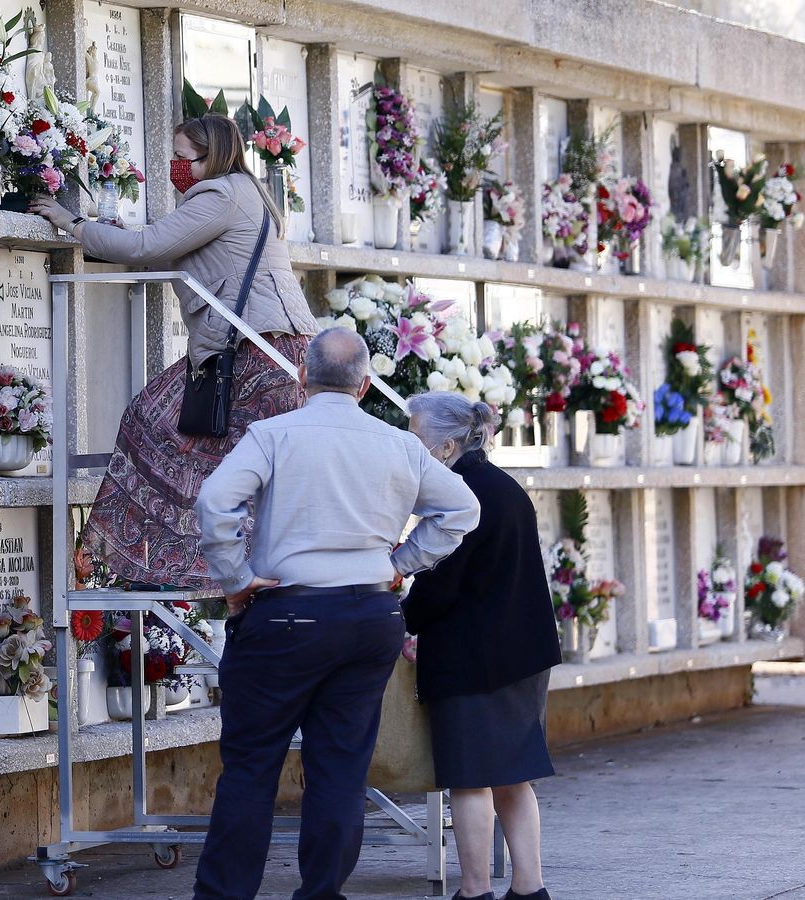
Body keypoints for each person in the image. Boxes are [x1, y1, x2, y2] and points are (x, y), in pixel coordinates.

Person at [190, 328, 481, 900]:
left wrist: (235, 579)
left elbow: (214, 502)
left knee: (251, 767)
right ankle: (322, 893)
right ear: (365, 385)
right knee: (341, 770)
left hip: (285, 616)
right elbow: (462, 508)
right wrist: (403, 563)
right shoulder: (396, 444)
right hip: (370, 619)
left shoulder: (273, 434)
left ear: (302, 377)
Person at [30, 114, 318, 589]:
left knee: (152, 425)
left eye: (183, 158)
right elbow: (173, 243)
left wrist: (73, 223)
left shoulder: (218, 194)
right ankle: (210, 568)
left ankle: (162, 564)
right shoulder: (253, 190)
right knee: (234, 465)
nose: (176, 168)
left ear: (212, 157)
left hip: (249, 349)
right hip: (279, 347)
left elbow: (146, 246)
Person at [402, 392, 560, 900]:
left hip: (474, 659)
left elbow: (441, 583)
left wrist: (403, 620)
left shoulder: (461, 493)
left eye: (415, 436)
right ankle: (530, 888)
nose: (409, 444)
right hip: (523, 653)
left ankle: (473, 891)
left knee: (470, 780)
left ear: (446, 444)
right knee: (514, 776)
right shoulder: (504, 487)